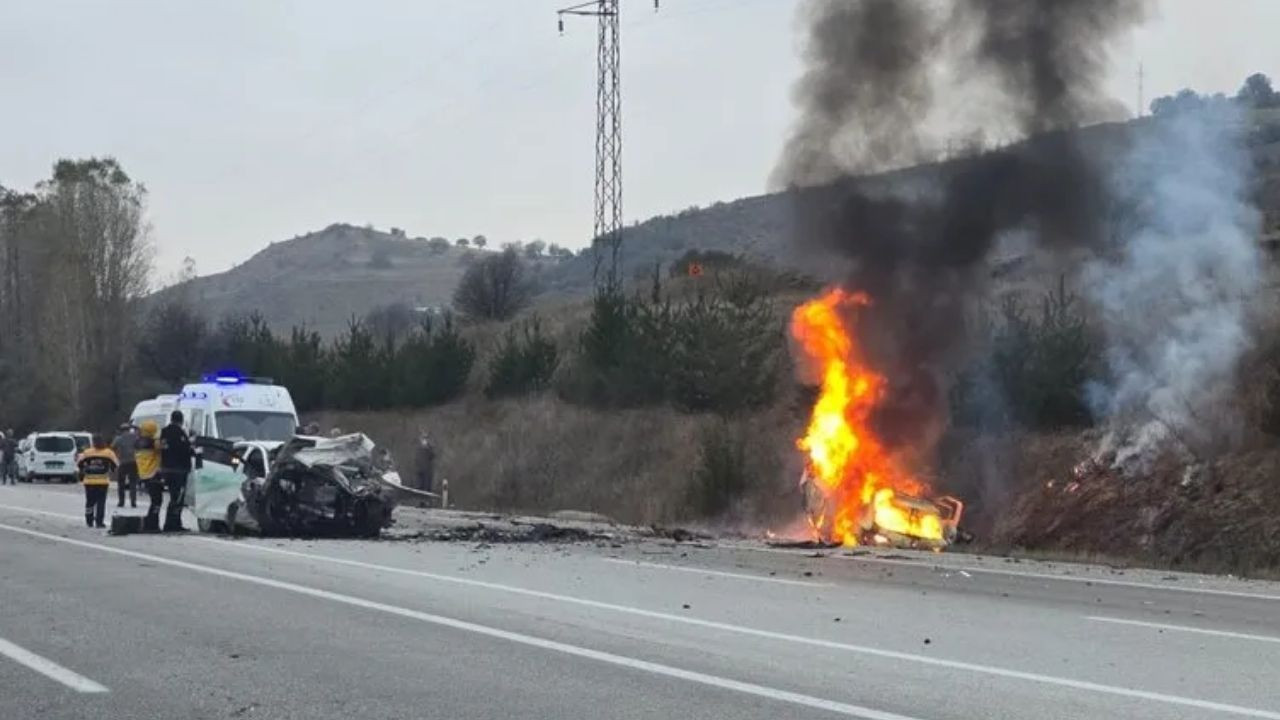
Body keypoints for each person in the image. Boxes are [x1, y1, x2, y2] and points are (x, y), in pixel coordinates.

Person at [159, 410, 195, 532]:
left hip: (167, 468)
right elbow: (185, 450)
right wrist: (192, 448)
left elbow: (163, 448)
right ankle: (171, 524)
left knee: (174, 497)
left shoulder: (164, 432)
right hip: (178, 470)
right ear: (181, 420)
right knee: (177, 498)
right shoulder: (179, 433)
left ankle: (174, 523)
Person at [77, 435, 118, 529]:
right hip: (103, 481)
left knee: (89, 502)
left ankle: (89, 521)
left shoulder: (87, 452)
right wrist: (110, 470)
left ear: (93, 442)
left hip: (89, 481)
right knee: (101, 502)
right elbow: (115, 465)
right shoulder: (108, 453)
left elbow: (79, 464)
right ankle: (99, 522)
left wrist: (85, 470)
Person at [135, 420, 163, 532]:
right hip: (153, 474)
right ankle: (152, 524)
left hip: (143, 474)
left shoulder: (138, 442)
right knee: (157, 501)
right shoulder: (153, 442)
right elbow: (162, 448)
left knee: (154, 500)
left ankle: (150, 523)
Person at [111, 423, 138, 508]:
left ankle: (121, 502)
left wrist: (118, 454)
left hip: (123, 462)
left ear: (121, 430)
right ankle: (133, 501)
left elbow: (112, 446)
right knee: (133, 483)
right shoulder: (135, 437)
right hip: (134, 462)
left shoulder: (119, 438)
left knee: (121, 483)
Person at [414, 430, 436, 494]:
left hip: (427, 469)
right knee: (420, 483)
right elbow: (417, 458)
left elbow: (432, 455)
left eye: (425, 438)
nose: (424, 440)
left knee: (427, 484)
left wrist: (428, 448)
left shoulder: (429, 447)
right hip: (420, 468)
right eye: (423, 438)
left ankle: (426, 494)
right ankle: (420, 493)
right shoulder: (419, 447)